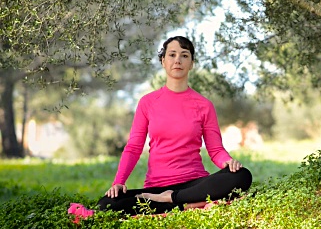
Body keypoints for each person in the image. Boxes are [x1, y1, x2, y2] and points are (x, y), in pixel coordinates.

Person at [95, 36, 252, 215]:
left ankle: (172, 199)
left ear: (191, 63)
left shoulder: (204, 105)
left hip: (194, 184)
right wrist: (119, 182)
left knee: (242, 175)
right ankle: (186, 203)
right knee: (106, 204)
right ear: (163, 61)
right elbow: (133, 147)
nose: (178, 60)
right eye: (172, 54)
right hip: (155, 189)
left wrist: (228, 162)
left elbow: (215, 150)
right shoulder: (148, 103)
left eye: (184, 55)